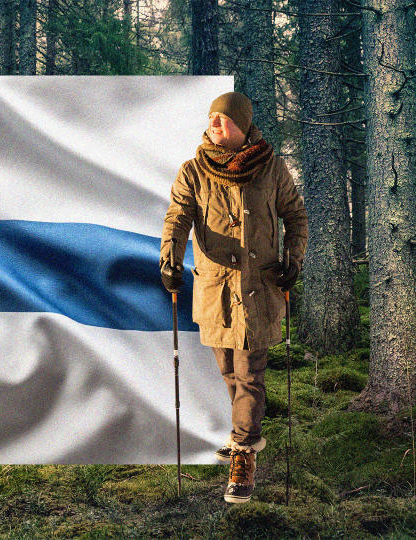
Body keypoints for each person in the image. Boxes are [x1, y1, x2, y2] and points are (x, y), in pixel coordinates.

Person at [160, 92, 307, 503]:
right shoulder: (194, 170)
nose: (213, 124)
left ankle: (244, 452)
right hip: (215, 287)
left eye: (222, 120)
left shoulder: (271, 168)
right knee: (228, 369)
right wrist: (169, 259)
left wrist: (294, 258)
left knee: (249, 370)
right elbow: (178, 217)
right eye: (210, 118)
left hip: (259, 287)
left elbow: (295, 215)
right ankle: (249, 433)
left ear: (242, 126)